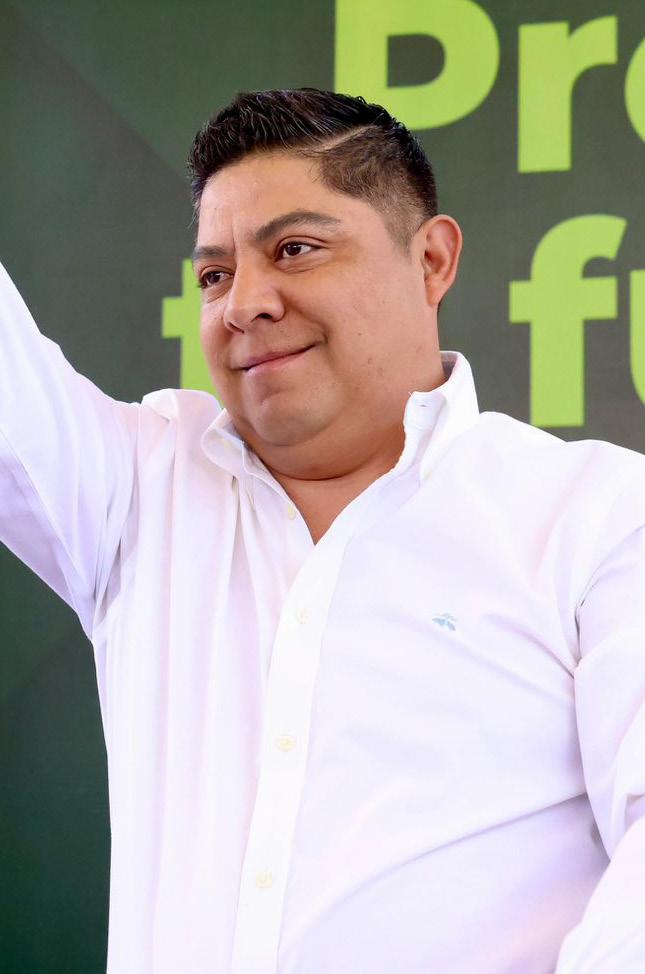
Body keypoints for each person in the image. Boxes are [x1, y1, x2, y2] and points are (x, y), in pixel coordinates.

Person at [1, 87, 644, 974]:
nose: (243, 303)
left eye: (295, 250)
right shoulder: (140, 488)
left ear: (431, 260)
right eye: (214, 275)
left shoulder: (596, 513)